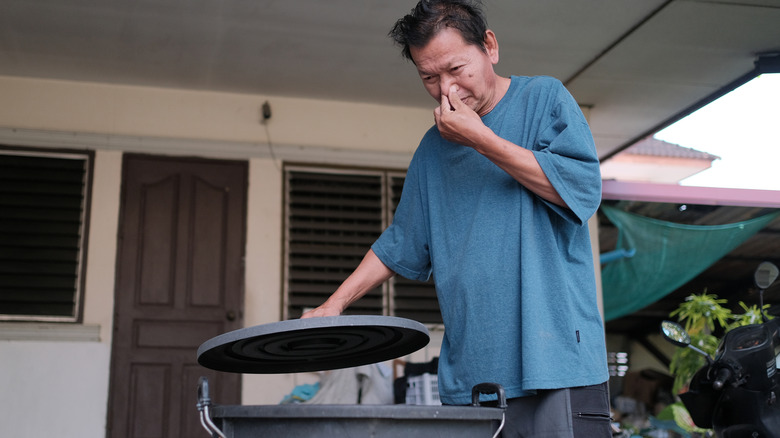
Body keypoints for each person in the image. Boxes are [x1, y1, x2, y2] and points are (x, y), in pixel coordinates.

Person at [302, 0, 611, 435]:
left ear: (490, 46)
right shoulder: (433, 149)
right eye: (429, 77)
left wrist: (481, 139)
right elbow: (400, 242)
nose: (446, 89)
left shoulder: (544, 98)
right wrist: (335, 304)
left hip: (558, 365)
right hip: (476, 377)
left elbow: (579, 189)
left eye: (456, 69)